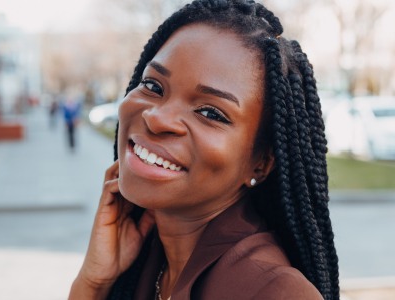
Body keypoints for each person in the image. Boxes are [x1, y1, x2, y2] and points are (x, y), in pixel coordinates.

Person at [69, 1, 339, 299]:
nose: (157, 118)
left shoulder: (273, 291)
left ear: (261, 164)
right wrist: (94, 282)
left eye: (210, 113)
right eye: (153, 86)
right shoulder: (149, 257)